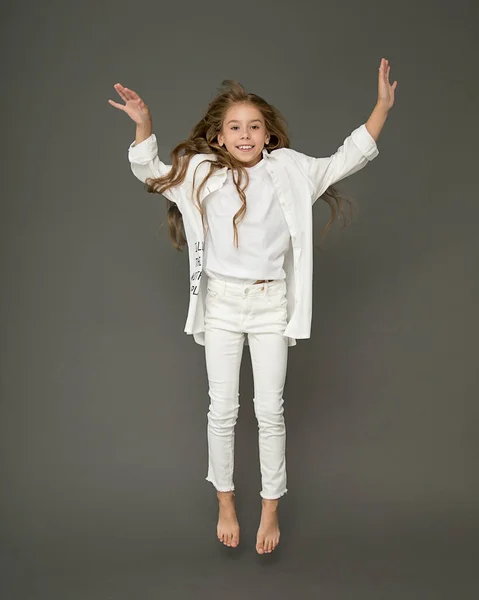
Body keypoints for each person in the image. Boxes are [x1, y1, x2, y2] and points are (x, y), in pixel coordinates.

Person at [108, 58, 397, 555]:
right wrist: (144, 126)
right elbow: (150, 173)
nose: (245, 134)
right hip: (221, 303)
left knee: (270, 412)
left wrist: (381, 108)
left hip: (270, 305)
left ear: (268, 136)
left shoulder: (291, 170)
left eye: (254, 126)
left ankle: (269, 508)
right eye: (234, 127)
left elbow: (346, 157)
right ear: (219, 137)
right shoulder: (198, 172)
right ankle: (225, 502)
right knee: (222, 411)